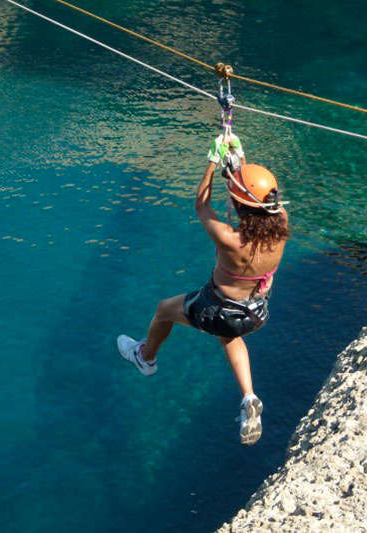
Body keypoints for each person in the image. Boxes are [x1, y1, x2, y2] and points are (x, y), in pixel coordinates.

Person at [117, 132, 290, 445]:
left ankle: (146, 357)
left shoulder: (230, 239)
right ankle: (249, 397)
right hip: (255, 312)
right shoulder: (282, 226)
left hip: (218, 311)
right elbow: (251, 194)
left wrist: (212, 162)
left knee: (163, 310)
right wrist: (240, 156)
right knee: (230, 338)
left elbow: (202, 204)